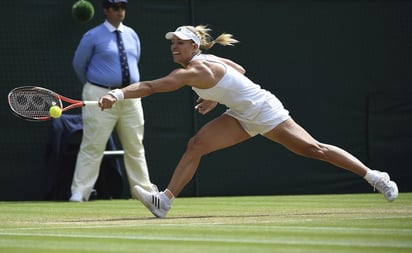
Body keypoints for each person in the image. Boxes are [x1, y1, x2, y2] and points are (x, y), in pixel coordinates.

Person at [98, 25, 399, 217]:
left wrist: (117, 94)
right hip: (241, 114)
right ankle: (164, 201)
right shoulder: (209, 63)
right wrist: (216, 96)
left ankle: (375, 177)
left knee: (314, 150)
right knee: (197, 144)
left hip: (264, 109)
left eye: (180, 42)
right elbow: (238, 70)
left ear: (194, 47)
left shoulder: (192, 72)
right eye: (172, 42)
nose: (174, 47)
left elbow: (150, 86)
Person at [70, 0, 157, 202]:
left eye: (123, 7)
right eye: (116, 7)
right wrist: (99, 87)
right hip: (100, 96)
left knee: (135, 145)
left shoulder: (132, 34)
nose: (121, 11)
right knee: (93, 145)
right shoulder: (92, 36)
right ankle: (79, 192)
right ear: (106, 10)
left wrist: (124, 89)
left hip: (130, 97)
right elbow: (79, 65)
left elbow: (136, 61)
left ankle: (142, 191)